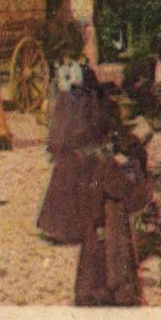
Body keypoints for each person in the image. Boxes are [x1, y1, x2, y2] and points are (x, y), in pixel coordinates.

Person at [74, 132, 152, 306]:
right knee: (100, 261)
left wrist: (135, 172)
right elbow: (96, 197)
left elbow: (136, 199)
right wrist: (97, 222)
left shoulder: (126, 169)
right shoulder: (107, 168)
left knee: (116, 259)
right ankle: (98, 295)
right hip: (104, 221)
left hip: (117, 222)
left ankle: (119, 295)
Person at [37, 54, 101, 242]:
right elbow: (71, 127)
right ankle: (63, 230)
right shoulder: (78, 100)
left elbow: (65, 127)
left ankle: (61, 229)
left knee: (68, 187)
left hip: (73, 151)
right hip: (74, 151)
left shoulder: (77, 100)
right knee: (69, 187)